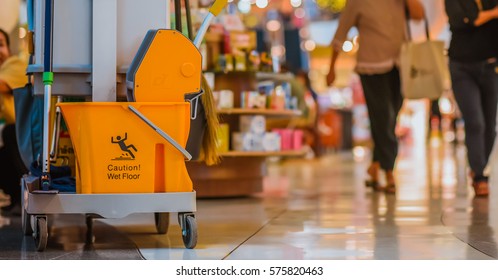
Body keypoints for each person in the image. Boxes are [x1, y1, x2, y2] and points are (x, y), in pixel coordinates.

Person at [326, 0, 424, 194]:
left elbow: (419, 15)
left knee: (390, 118)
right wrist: (331, 68)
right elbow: (341, 32)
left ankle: (375, 165)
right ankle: (388, 171)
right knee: (383, 116)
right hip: (371, 67)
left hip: (399, 65)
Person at [444, 0, 498, 197]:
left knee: (490, 126)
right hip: (462, 67)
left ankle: (478, 168)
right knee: (475, 122)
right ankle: (480, 177)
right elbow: (462, 21)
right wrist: (492, 15)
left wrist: (482, 16)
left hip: (491, 67)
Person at [0, 28, 29, 214]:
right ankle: (14, 195)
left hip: (26, 132)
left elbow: (3, 86)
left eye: (0, 45)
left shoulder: (15, 64)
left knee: (9, 131)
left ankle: (23, 197)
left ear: (9, 49)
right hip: (14, 133)